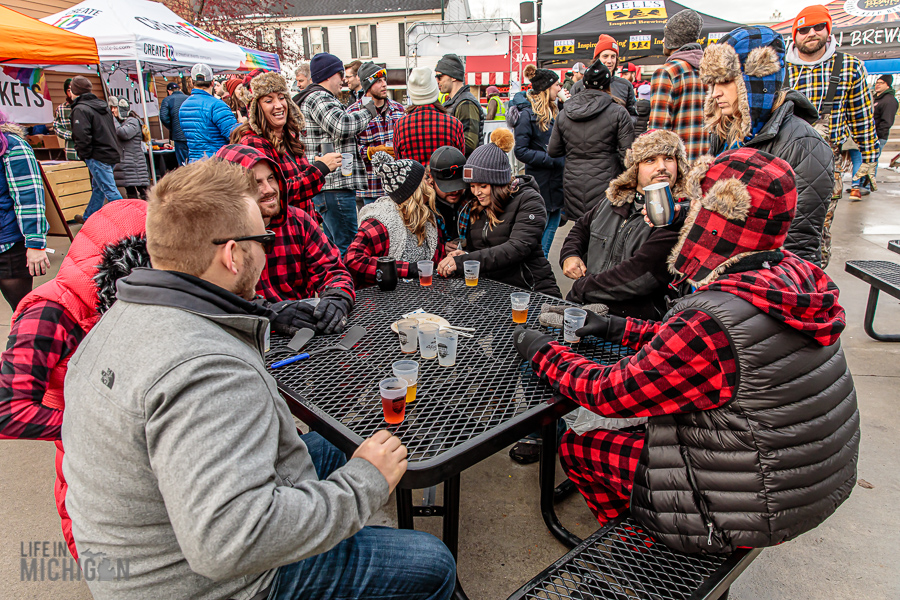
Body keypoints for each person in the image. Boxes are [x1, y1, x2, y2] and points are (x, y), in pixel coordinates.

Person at [61, 158, 457, 600]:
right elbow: (230, 542)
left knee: (340, 440)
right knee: (433, 561)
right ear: (232, 255)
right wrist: (362, 484)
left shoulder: (119, 319)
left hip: (144, 553)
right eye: (262, 239)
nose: (269, 248)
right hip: (215, 586)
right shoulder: (207, 368)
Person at [513, 147, 860, 554]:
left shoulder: (712, 321)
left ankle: (643, 552)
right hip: (806, 480)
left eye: (696, 206)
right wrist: (616, 327)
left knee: (579, 445)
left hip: (741, 506)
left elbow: (611, 393)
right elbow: (692, 344)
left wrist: (542, 352)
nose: (686, 215)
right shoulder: (792, 276)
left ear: (717, 218)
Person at [0, 199, 149, 559]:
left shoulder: (127, 304)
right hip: (86, 460)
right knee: (105, 558)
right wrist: (106, 427)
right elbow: (8, 411)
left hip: (131, 456)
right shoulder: (50, 311)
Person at [702, 26, 835, 267]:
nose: (715, 94)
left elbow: (798, 244)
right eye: (712, 83)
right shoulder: (727, 131)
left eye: (725, 82)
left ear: (754, 82)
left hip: (759, 283)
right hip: (721, 269)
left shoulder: (804, 145)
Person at [214, 144, 355, 333]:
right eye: (256, 183)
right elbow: (218, 300)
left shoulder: (297, 220)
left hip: (306, 335)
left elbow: (334, 271)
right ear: (232, 192)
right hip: (249, 339)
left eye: (271, 178)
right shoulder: (217, 236)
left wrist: (337, 298)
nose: (269, 189)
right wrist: (269, 313)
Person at [559, 129, 688, 320]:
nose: (662, 167)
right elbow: (580, 228)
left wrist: (581, 288)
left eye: (669, 158)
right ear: (635, 168)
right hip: (589, 308)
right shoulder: (612, 202)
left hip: (636, 325)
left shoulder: (677, 215)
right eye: (650, 160)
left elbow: (640, 276)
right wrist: (570, 254)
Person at [786, 5, 878, 263]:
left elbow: (862, 118)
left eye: (818, 27)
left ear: (828, 29)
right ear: (795, 35)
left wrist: (869, 160)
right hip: (784, 160)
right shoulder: (781, 68)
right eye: (803, 29)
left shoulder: (849, 66)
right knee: (779, 228)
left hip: (827, 164)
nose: (811, 34)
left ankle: (814, 283)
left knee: (816, 230)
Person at [436, 129, 560, 297]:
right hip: (496, 292)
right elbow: (484, 249)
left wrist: (464, 260)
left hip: (532, 290)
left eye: (482, 186)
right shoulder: (478, 205)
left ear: (498, 183)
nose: (476, 192)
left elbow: (516, 248)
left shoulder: (529, 200)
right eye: (472, 186)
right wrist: (466, 254)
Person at [295, 52, 376, 255]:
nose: (344, 80)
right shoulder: (319, 97)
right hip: (334, 185)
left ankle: (337, 286)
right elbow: (341, 125)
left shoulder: (315, 97)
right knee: (348, 247)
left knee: (334, 248)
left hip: (329, 186)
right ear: (330, 75)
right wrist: (369, 112)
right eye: (341, 75)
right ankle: (350, 286)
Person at [232, 71, 339, 221]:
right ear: (256, 108)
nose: (278, 105)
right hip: (282, 232)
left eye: (282, 98)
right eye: (269, 101)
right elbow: (275, 194)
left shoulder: (289, 137)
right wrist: (319, 169)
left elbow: (301, 193)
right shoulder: (253, 143)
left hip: (303, 228)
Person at [549, 60, 634, 221]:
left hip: (573, 182)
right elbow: (628, 156)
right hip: (607, 181)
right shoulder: (618, 112)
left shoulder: (566, 112)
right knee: (603, 232)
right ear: (608, 84)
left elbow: (553, 150)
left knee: (579, 232)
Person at [346, 153, 444, 287]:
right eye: (425, 179)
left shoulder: (427, 218)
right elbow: (353, 260)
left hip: (424, 296)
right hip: (386, 300)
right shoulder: (381, 221)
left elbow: (435, 263)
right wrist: (407, 269)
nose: (431, 182)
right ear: (414, 189)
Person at [0, 113, 50, 310]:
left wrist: (35, 243)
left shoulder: (12, 145)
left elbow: (30, 196)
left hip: (8, 247)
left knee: (23, 313)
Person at [514, 65, 565, 257]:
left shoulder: (556, 111)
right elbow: (520, 150)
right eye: (556, 85)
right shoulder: (527, 115)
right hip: (540, 184)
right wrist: (551, 159)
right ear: (546, 88)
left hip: (556, 184)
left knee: (550, 230)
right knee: (539, 239)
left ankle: (538, 273)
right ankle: (535, 276)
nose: (559, 88)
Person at [648, 10, 706, 161]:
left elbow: (658, 135)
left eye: (665, 36)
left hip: (679, 167)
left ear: (672, 40)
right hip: (709, 164)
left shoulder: (667, 72)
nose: (662, 41)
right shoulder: (712, 70)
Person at [347, 63, 406, 206]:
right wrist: (370, 152)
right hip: (370, 189)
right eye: (378, 81)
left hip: (397, 185)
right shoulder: (353, 113)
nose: (384, 84)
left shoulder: (398, 110)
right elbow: (348, 150)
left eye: (385, 80)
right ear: (368, 85)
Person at [69, 76, 122, 222]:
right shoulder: (101, 105)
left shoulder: (80, 109)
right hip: (109, 150)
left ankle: (126, 220)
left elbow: (82, 135)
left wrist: (84, 154)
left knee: (109, 190)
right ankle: (89, 216)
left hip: (97, 154)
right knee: (100, 187)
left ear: (73, 91)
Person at [394, 67, 465, 166]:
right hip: (444, 180)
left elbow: (399, 162)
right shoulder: (454, 124)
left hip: (414, 181)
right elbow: (460, 161)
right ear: (434, 90)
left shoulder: (400, 126)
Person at [179, 63, 241, 162]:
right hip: (216, 164)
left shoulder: (184, 106)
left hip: (194, 164)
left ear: (191, 82)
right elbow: (234, 134)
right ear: (212, 82)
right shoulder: (217, 105)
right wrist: (244, 123)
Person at [436, 54, 484, 156]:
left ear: (453, 77)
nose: (437, 81)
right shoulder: (455, 102)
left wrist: (441, 146)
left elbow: (470, 144)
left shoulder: (466, 103)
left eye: (440, 77)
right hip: (456, 165)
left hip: (463, 167)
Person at [578, 35, 636, 115]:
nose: (609, 61)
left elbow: (633, 115)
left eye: (613, 56)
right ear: (597, 59)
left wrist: (622, 123)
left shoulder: (625, 85)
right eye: (605, 56)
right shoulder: (579, 86)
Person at [427, 145, 470, 246]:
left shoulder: (472, 199)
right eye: (448, 187)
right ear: (431, 178)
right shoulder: (426, 206)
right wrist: (441, 247)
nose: (455, 191)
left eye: (459, 185)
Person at [113, 98, 151, 200]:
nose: (112, 111)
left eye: (114, 108)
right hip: (127, 163)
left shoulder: (132, 121)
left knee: (144, 193)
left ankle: (148, 213)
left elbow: (123, 133)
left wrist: (113, 120)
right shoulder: (123, 122)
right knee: (131, 193)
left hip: (134, 163)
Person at [872, 74, 897, 184]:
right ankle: (860, 185)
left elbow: (887, 121)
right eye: (876, 83)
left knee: (872, 161)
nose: (877, 85)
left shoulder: (889, 100)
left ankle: (867, 186)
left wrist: (878, 135)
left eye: (881, 83)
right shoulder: (876, 98)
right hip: (869, 135)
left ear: (887, 85)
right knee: (866, 161)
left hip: (878, 136)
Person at [159, 81, 188, 165]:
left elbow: (164, 117)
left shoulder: (167, 100)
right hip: (192, 134)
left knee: (183, 162)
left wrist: (173, 127)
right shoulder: (188, 98)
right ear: (179, 89)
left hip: (179, 136)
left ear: (169, 91)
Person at [53, 78, 78, 161]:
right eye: (68, 90)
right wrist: (70, 135)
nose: (71, 93)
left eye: (72, 90)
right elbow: (57, 127)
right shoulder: (61, 108)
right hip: (71, 151)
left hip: (89, 152)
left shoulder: (85, 106)